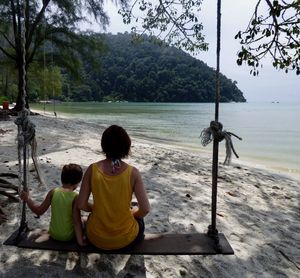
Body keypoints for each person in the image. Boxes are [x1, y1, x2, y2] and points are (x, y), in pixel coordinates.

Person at [76, 125, 150, 250]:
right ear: (126, 146)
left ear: (103, 145)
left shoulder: (92, 170)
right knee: (140, 220)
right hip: (125, 239)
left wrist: (95, 208)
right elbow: (145, 209)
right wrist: (134, 213)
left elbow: (81, 204)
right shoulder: (133, 173)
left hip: (96, 238)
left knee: (91, 219)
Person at [20, 163, 88, 246]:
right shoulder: (75, 197)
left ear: (62, 178)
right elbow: (76, 222)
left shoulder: (53, 192)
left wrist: (28, 199)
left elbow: (39, 211)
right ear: (77, 183)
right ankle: (82, 237)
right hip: (68, 237)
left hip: (54, 234)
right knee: (84, 219)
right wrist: (80, 242)